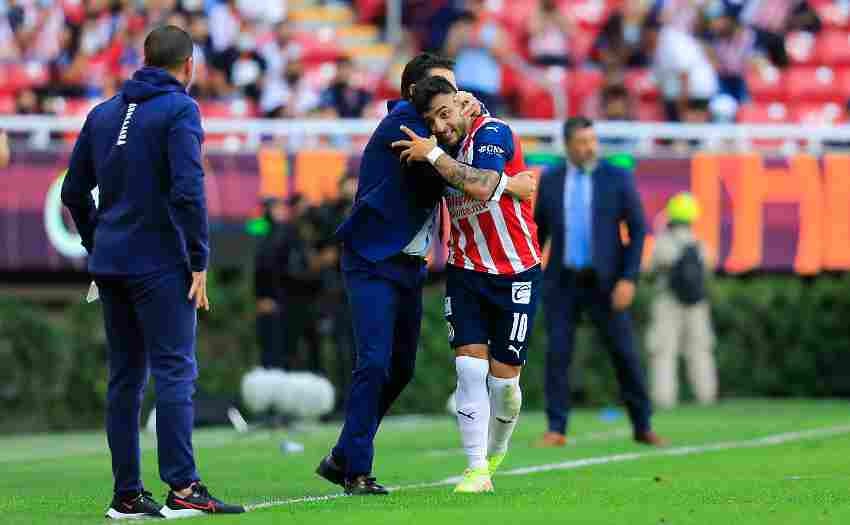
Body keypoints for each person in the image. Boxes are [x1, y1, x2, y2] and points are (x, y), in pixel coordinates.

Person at [314, 52, 534, 495]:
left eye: (455, 91)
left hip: (409, 263)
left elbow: (470, 158)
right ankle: (356, 469)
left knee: (400, 368)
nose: (456, 97)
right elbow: (466, 167)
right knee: (375, 362)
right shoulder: (406, 123)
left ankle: (343, 453)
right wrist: (511, 181)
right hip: (374, 260)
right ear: (415, 94)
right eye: (443, 89)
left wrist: (478, 132)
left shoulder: (440, 129)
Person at [60, 25, 244, 519]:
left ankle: (127, 494)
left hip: (112, 264)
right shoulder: (181, 109)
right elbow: (188, 189)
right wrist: (200, 258)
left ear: (145, 59)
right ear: (189, 66)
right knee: (175, 372)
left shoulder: (102, 114)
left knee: (125, 379)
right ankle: (182, 486)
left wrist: (97, 244)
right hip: (160, 263)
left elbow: (73, 193)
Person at [393, 76, 539, 493]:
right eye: (431, 120)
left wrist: (437, 155)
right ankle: (477, 470)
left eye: (445, 114)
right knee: (468, 367)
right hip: (466, 268)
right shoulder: (437, 147)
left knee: (505, 385)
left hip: (516, 270)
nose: (439, 126)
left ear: (463, 105)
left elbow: (481, 184)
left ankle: (495, 451)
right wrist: (513, 185)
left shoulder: (491, 131)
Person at [533, 117, 667, 448]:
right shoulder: (551, 180)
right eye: (581, 142)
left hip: (606, 283)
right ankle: (556, 428)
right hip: (563, 281)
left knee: (624, 354)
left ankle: (642, 424)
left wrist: (628, 278)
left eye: (592, 140)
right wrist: (530, 274)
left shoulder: (616, 178)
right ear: (567, 146)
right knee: (558, 355)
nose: (589, 147)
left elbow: (637, 230)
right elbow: (539, 233)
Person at [646, 192, 717, 408]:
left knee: (663, 351)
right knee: (700, 350)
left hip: (667, 301)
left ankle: (664, 398)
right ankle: (706, 396)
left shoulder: (663, 243)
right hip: (697, 303)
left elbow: (650, 269)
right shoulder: (701, 245)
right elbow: (709, 268)